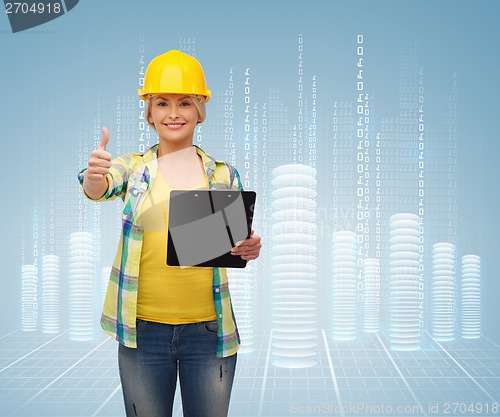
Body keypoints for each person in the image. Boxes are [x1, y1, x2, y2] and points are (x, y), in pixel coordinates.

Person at [78, 50, 262, 417]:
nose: (173, 113)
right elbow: (99, 187)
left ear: (200, 111)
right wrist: (94, 176)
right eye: (162, 103)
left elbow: (236, 242)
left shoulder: (223, 176)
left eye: (184, 103)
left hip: (208, 334)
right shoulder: (132, 168)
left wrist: (249, 247)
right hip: (143, 334)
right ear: (149, 112)